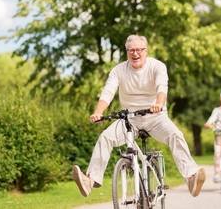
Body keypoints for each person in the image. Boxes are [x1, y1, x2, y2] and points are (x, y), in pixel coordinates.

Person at [72, 34, 206, 198]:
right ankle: (90, 180)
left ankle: (191, 177)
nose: (135, 54)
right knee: (105, 137)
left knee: (175, 135)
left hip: (155, 117)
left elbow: (162, 88)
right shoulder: (118, 70)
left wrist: (158, 103)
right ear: (126, 51)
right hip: (129, 119)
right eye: (131, 50)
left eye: (138, 50)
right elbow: (107, 92)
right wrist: (98, 112)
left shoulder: (157, 66)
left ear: (146, 51)